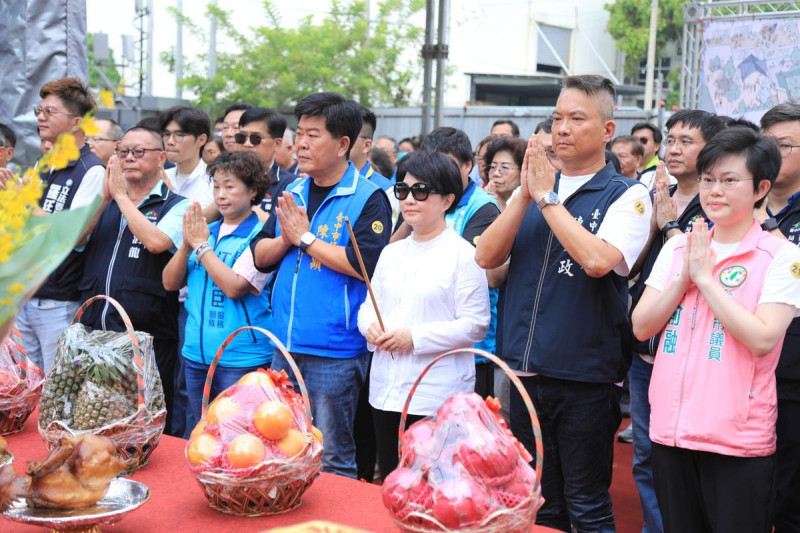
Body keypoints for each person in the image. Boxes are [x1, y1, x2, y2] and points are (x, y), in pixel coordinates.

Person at [475, 74, 652, 532]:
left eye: (577, 118)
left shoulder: (627, 195)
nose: (563, 129)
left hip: (584, 376)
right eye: (557, 119)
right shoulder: (534, 189)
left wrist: (548, 198)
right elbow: (485, 256)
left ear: (608, 130)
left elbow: (598, 260)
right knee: (538, 499)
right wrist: (524, 196)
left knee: (587, 503)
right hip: (522, 369)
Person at [632, 127, 800, 533]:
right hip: (672, 430)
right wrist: (682, 279)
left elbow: (763, 337)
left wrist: (707, 280)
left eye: (729, 181)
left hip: (736, 438)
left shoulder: (781, 256)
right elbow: (641, 326)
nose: (714, 191)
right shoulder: (678, 248)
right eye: (708, 180)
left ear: (760, 188)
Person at [251, 92, 391, 478]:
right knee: (282, 444)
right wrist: (288, 237)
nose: (301, 143)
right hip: (283, 344)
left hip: (335, 350)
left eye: (313, 135)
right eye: (300, 133)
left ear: (343, 143)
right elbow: (260, 256)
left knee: (331, 455)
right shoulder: (290, 190)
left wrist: (307, 239)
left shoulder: (368, 198)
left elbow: (366, 266)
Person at [358, 150, 489, 477]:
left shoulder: (463, 255)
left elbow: (475, 325)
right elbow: (368, 305)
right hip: (385, 388)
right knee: (392, 477)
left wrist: (413, 338)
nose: (409, 200)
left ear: (447, 199)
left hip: (435, 393)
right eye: (402, 191)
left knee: (435, 485)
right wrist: (370, 327)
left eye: (420, 191)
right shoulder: (391, 252)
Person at [626, 108, 727, 533]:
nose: (673, 148)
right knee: (647, 454)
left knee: (692, 458)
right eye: (670, 139)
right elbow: (628, 267)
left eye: (687, 141)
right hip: (644, 348)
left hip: (693, 353)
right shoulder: (650, 193)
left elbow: (709, 275)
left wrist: (671, 227)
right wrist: (653, 222)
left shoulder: (720, 205)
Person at [77, 127, 189, 434]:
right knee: (93, 419)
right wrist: (104, 197)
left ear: (161, 158)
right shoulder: (108, 200)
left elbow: (156, 241)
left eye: (138, 152)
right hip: (95, 333)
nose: (129, 158)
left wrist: (121, 197)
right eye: (122, 151)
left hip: (147, 335)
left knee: (145, 423)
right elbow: (74, 239)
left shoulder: (177, 205)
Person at [162, 152, 271, 434]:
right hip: (196, 354)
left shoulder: (260, 236)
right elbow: (170, 283)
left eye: (230, 186)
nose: (221, 195)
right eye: (217, 186)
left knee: (236, 434)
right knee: (197, 431)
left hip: (240, 357)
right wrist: (186, 245)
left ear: (253, 191)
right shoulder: (205, 231)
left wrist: (201, 246)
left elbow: (234, 287)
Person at [17, 78, 105, 373]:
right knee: (23, 388)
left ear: (77, 122)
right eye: (38, 110)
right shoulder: (44, 164)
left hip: (58, 302)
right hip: (26, 294)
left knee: (56, 390)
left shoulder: (91, 170)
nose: (40, 117)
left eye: (49, 111)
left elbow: (74, 233)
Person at [413, 127, 501, 399]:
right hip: (420, 342)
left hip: (469, 351)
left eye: (447, 165)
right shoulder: (417, 200)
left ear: (467, 166)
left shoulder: (483, 207)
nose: (437, 173)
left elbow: (473, 267)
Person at [760, 103, 800, 532]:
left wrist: (768, 230)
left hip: (791, 372)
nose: (771, 152)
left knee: (788, 490)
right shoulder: (738, 201)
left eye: (783, 145)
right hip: (739, 369)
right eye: (765, 143)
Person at [235, 107, 298, 219]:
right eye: (241, 137)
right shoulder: (225, 177)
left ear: (277, 144)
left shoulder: (291, 185)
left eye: (255, 139)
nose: (247, 144)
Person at [159, 106, 213, 206]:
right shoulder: (159, 178)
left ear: (201, 140)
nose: (170, 142)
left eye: (180, 135)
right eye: (166, 134)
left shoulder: (213, 182)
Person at [484, 136, 526, 211]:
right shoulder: (478, 201)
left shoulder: (531, 207)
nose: (496, 173)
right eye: (493, 167)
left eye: (505, 167)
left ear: (522, 171)